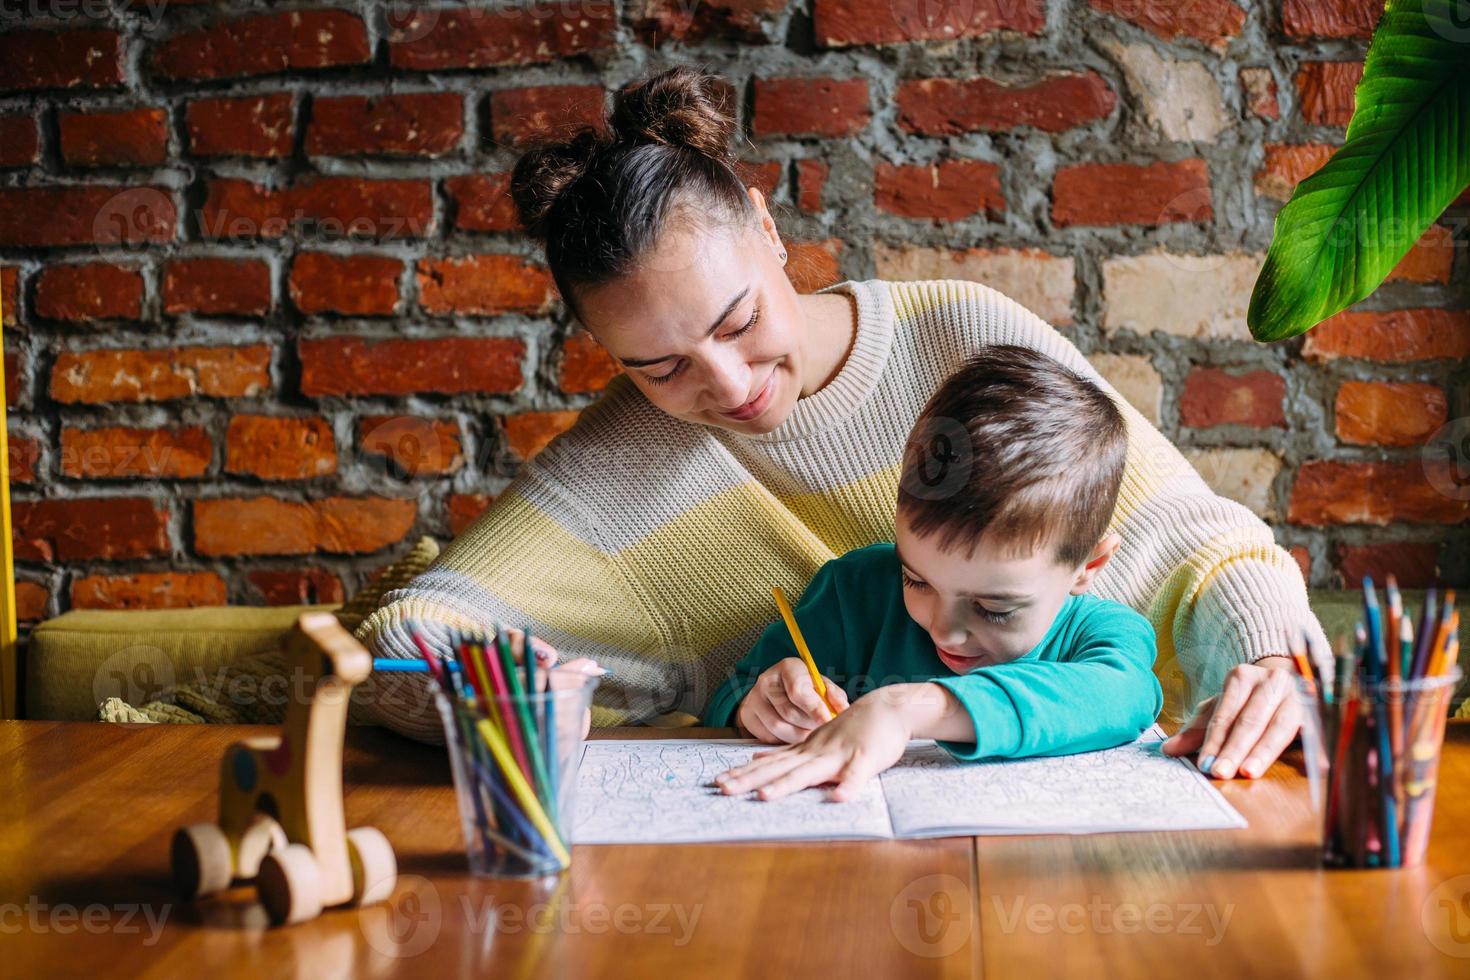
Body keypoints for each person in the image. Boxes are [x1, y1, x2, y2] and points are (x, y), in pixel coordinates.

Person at [356, 65, 1326, 781]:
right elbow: (416, 624)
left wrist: (1272, 650)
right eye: (657, 365)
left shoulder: (961, 332)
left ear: (766, 225)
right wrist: (474, 678)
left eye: (738, 320)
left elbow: (1187, 534)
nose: (729, 384)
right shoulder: (629, 454)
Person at [707, 346, 1164, 799]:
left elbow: (1125, 696)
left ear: (1088, 567)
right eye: (917, 581)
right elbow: (732, 693)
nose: (946, 632)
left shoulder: (1100, 634)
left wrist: (903, 708)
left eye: (992, 607)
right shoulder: (854, 593)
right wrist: (757, 706)